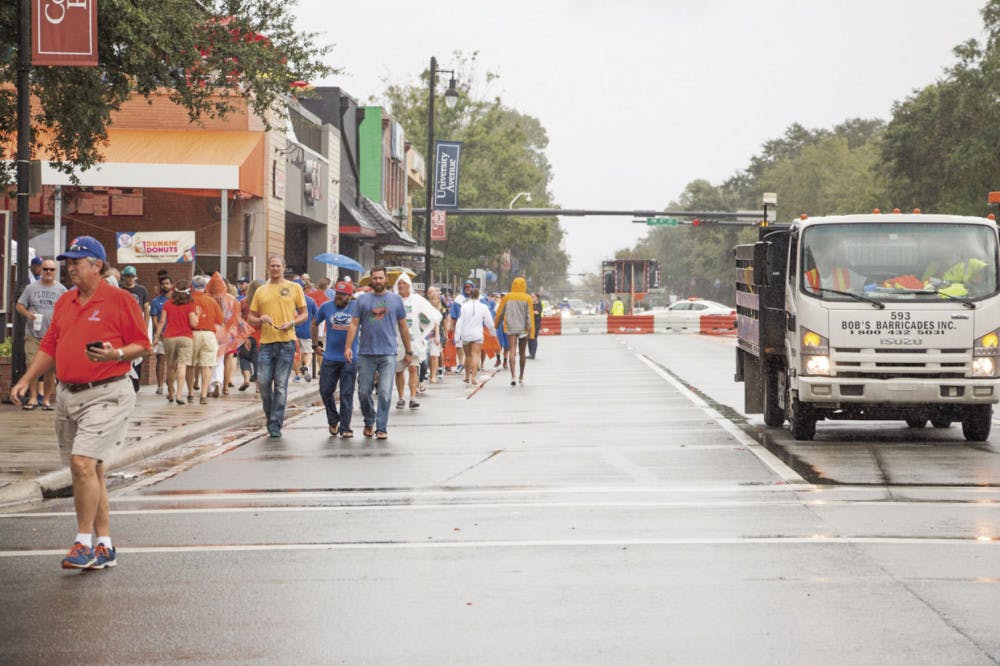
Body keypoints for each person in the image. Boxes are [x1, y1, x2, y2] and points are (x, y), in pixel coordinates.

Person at [10, 236, 149, 570]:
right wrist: (26, 380)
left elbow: (142, 344)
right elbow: (50, 345)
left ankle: (82, 543)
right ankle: (105, 545)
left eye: (77, 261)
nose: (70, 267)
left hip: (108, 391)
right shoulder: (65, 300)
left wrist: (116, 353)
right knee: (92, 469)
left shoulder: (120, 299)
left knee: (81, 463)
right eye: (67, 261)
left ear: (97, 265)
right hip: (68, 394)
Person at [344, 265, 412, 441]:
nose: (378, 281)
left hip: (388, 353)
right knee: (364, 392)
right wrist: (348, 347)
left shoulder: (396, 300)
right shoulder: (362, 300)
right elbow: (353, 324)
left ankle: (381, 427)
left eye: (381, 278)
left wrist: (409, 350)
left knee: (385, 392)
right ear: (371, 280)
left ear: (386, 280)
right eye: (375, 278)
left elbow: (404, 327)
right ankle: (369, 419)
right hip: (366, 353)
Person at [248, 256, 308, 438]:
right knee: (264, 383)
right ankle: (270, 416)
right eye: (272, 266)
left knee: (281, 385)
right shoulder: (261, 291)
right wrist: (260, 319)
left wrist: (292, 322)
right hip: (266, 343)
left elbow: (304, 314)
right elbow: (251, 317)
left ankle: (275, 423)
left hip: (286, 341)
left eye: (278, 266)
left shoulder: (294, 288)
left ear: (284, 267)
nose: (275, 269)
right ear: (268, 268)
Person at [15, 257, 66, 410]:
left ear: (55, 271)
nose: (48, 272)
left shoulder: (62, 290)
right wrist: (28, 314)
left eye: (51, 269)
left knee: (50, 370)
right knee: (32, 366)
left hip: (53, 336)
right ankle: (32, 398)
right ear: (40, 270)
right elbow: (19, 305)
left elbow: (69, 309)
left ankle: (46, 400)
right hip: (33, 334)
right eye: (45, 269)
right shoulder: (31, 288)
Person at [313, 280, 358, 437]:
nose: (339, 297)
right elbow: (314, 323)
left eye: (343, 294)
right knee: (325, 390)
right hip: (330, 356)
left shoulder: (356, 308)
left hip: (350, 357)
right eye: (337, 293)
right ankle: (333, 419)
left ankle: (346, 427)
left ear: (350, 296)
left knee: (346, 393)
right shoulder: (326, 307)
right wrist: (315, 344)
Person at [393, 273, 441, 409]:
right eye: (399, 283)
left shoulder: (417, 300)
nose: (401, 285)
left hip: (414, 341)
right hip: (398, 341)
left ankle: (413, 397)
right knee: (399, 370)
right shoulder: (394, 300)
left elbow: (430, 315)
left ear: (409, 285)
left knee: (413, 368)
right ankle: (401, 397)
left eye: (404, 283)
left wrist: (422, 329)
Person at [153, 279, 198, 404]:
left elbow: (162, 321)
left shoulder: (168, 304)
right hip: (186, 338)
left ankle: (171, 392)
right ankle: (179, 394)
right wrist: (197, 316)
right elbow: (193, 323)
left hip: (169, 337)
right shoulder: (190, 305)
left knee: (171, 366)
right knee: (182, 365)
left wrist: (156, 336)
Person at [494, 277, 536, 385]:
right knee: (522, 352)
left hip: (510, 327)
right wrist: (531, 332)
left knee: (512, 350)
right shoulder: (527, 298)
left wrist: (496, 325)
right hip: (523, 328)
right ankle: (521, 376)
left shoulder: (507, 297)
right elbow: (530, 316)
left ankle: (513, 376)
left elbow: (500, 313)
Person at [189, 275, 224, 403]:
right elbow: (220, 320)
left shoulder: (189, 300)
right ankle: (203, 394)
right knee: (207, 366)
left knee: (191, 365)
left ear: (192, 286)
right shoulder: (212, 301)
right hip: (209, 334)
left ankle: (191, 393)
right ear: (204, 287)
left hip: (192, 334)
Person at [454, 287, 496, 385]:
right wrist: (493, 332)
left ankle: (467, 376)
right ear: (478, 296)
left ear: (470, 295)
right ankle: (473, 376)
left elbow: (460, 322)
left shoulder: (463, 306)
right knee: (476, 355)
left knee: (468, 356)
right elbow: (489, 321)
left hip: (466, 334)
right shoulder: (483, 307)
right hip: (477, 334)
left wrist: (457, 336)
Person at [149, 272, 173, 395]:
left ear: (171, 285)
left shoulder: (176, 300)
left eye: (167, 283)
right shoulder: (156, 301)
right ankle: (160, 386)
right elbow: (154, 318)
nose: (165, 285)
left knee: (172, 361)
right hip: (162, 334)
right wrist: (159, 332)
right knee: (161, 359)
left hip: (174, 334)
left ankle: (170, 382)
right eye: (163, 284)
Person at [293, 290, 318, 383]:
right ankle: (306, 366)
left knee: (295, 354)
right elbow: (317, 315)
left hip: (293, 330)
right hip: (306, 331)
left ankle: (297, 376)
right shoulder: (310, 300)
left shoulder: (291, 300)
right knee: (308, 352)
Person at [528, 292, 543, 359]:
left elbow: (537, 312)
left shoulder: (539, 304)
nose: (532, 298)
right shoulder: (529, 304)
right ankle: (530, 353)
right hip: (529, 323)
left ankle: (533, 354)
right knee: (529, 338)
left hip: (536, 323)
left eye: (533, 296)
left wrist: (532, 312)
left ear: (536, 297)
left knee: (533, 338)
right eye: (531, 296)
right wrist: (533, 312)